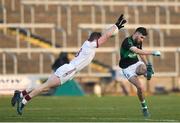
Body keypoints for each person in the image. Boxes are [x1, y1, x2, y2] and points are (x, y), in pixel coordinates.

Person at [11, 14, 127, 115]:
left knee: (46, 87)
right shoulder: (91, 45)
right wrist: (116, 26)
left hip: (69, 70)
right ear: (95, 39)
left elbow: (105, 35)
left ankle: (20, 94)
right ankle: (24, 101)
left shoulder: (88, 45)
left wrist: (114, 27)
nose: (100, 41)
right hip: (69, 70)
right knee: (45, 87)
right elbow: (105, 36)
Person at [118, 27, 161, 117]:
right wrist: (152, 53)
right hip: (127, 68)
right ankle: (144, 108)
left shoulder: (139, 42)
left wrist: (148, 64)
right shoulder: (127, 42)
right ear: (137, 33)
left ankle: (146, 72)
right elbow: (136, 51)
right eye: (142, 37)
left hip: (136, 64)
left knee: (144, 68)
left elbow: (141, 54)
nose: (142, 39)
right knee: (140, 87)